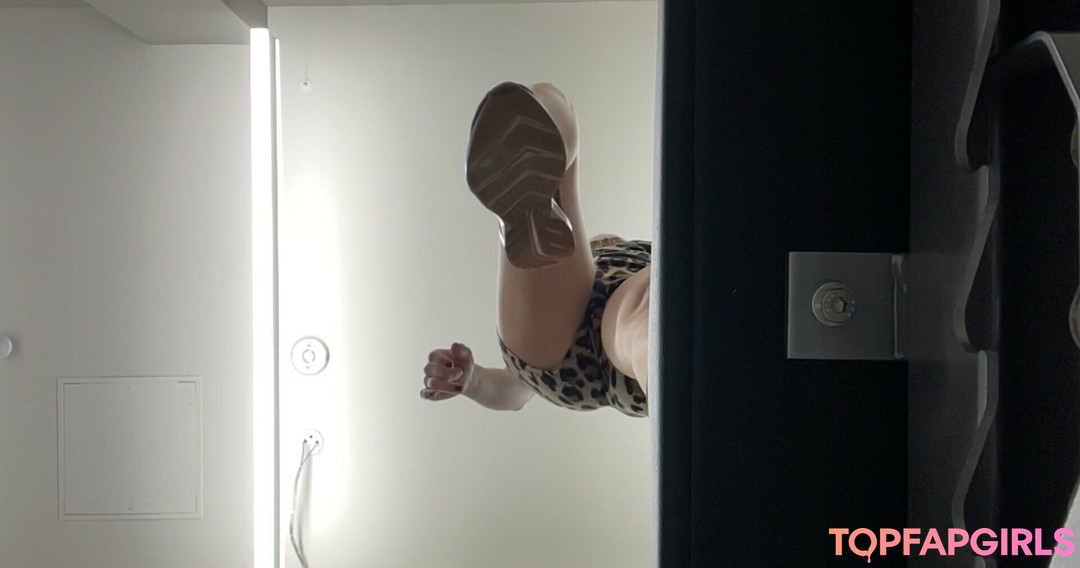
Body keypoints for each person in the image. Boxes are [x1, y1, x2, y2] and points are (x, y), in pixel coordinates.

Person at [420, 82, 652, 417]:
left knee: (641, 314)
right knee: (646, 311)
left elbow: (518, 389)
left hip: (557, 354)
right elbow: (517, 391)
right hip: (570, 352)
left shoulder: (595, 253)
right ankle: (536, 136)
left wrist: (473, 381)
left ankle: (532, 138)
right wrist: (474, 382)